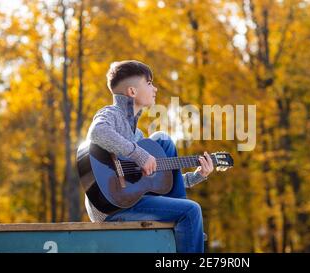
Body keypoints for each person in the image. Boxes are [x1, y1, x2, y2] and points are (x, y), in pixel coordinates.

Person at [84, 60, 214, 253]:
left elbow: (159, 183)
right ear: (132, 91)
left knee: (162, 141)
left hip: (133, 200)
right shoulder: (111, 113)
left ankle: (184, 221)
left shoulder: (138, 137)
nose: (155, 88)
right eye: (149, 83)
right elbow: (98, 132)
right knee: (191, 210)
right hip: (113, 207)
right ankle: (185, 222)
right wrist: (139, 155)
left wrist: (198, 176)